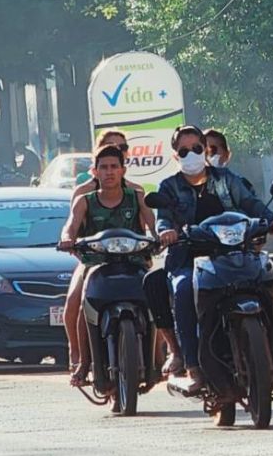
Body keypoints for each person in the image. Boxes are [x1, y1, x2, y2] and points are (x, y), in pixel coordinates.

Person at [154, 125, 273, 394]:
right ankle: (192, 366)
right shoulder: (168, 187)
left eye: (196, 148)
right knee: (182, 289)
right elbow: (163, 219)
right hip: (190, 259)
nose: (191, 154)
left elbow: (251, 204)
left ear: (205, 149)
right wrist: (166, 232)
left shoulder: (227, 179)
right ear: (175, 157)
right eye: (184, 150)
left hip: (234, 253)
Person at [58, 144, 155, 387]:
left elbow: (155, 224)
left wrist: (164, 234)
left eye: (114, 167)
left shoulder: (138, 197)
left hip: (134, 263)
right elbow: (70, 226)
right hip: (96, 264)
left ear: (123, 170)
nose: (109, 172)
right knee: (83, 305)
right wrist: (68, 239)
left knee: (157, 294)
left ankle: (161, 357)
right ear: (95, 171)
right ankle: (83, 362)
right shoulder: (84, 201)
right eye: (104, 167)